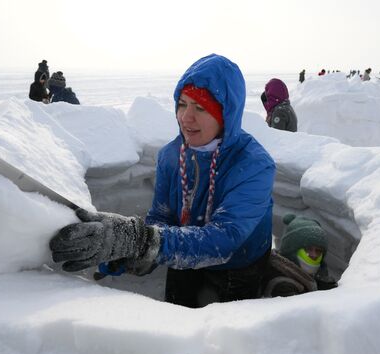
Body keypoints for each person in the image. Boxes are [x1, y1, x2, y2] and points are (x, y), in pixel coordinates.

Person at [49, 54, 276, 308]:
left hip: (238, 266)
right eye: (182, 104)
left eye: (200, 108)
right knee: (175, 320)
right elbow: (162, 215)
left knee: (223, 338)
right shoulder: (171, 155)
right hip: (183, 253)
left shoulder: (254, 165)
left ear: (226, 115)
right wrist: (132, 252)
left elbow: (225, 238)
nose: (186, 117)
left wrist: (143, 240)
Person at [261, 214, 337, 297]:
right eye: (308, 249)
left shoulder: (304, 275)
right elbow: (305, 309)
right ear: (291, 249)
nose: (314, 255)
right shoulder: (282, 284)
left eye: (318, 251)